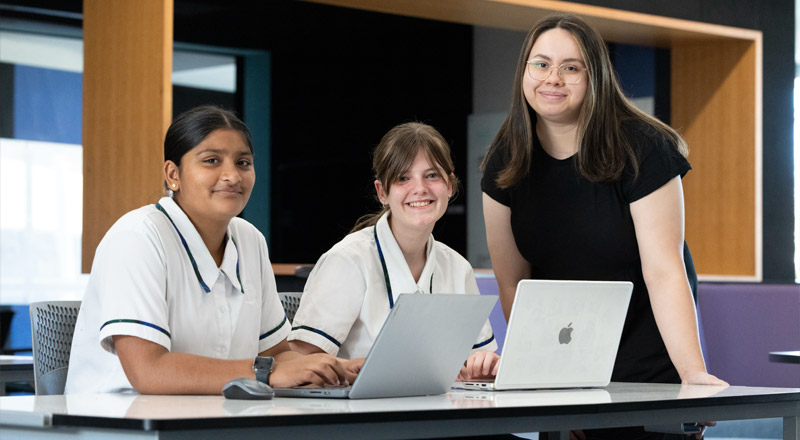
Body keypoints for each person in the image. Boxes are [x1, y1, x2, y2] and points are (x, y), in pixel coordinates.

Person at [480, 13, 727, 440]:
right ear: (524, 72)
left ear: (594, 77)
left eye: (571, 67)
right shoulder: (506, 159)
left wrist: (693, 374)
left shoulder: (643, 147)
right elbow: (514, 285)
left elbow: (665, 271)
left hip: (647, 372)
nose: (552, 78)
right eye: (540, 64)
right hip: (566, 373)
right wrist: (546, 377)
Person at [66, 105, 360, 395]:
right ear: (173, 174)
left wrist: (332, 368)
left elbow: (278, 354)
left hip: (214, 415)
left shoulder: (250, 240)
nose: (232, 176)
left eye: (243, 163)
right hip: (119, 421)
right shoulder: (138, 237)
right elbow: (148, 372)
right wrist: (266, 373)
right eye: (211, 161)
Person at [288, 122, 500, 380]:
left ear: (450, 185)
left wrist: (485, 364)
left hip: (439, 411)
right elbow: (298, 364)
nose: (420, 188)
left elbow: (481, 362)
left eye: (432, 175)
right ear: (382, 192)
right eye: (403, 178)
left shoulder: (457, 267)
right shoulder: (348, 260)